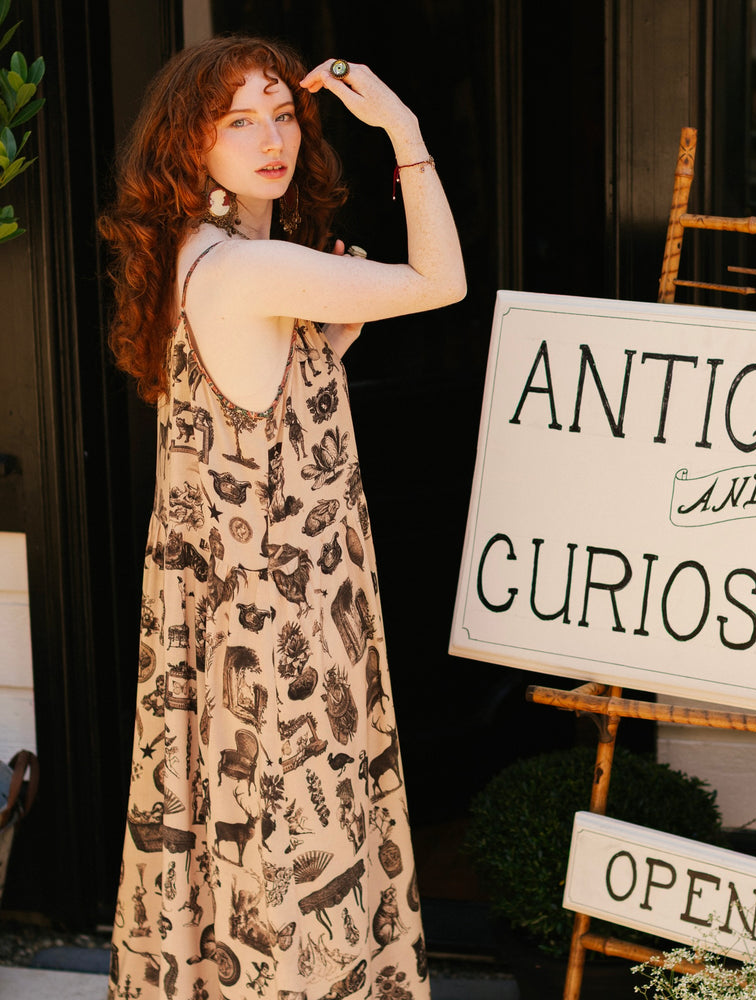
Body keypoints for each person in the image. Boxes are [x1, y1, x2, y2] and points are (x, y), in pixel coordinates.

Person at [98, 34, 464, 1000]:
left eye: (281, 114)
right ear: (192, 146)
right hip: (287, 618)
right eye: (238, 121)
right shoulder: (254, 272)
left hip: (241, 608)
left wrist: (327, 341)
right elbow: (443, 281)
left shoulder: (205, 252)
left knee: (248, 852)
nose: (271, 139)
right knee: (303, 852)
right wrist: (406, 130)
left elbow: (253, 426)